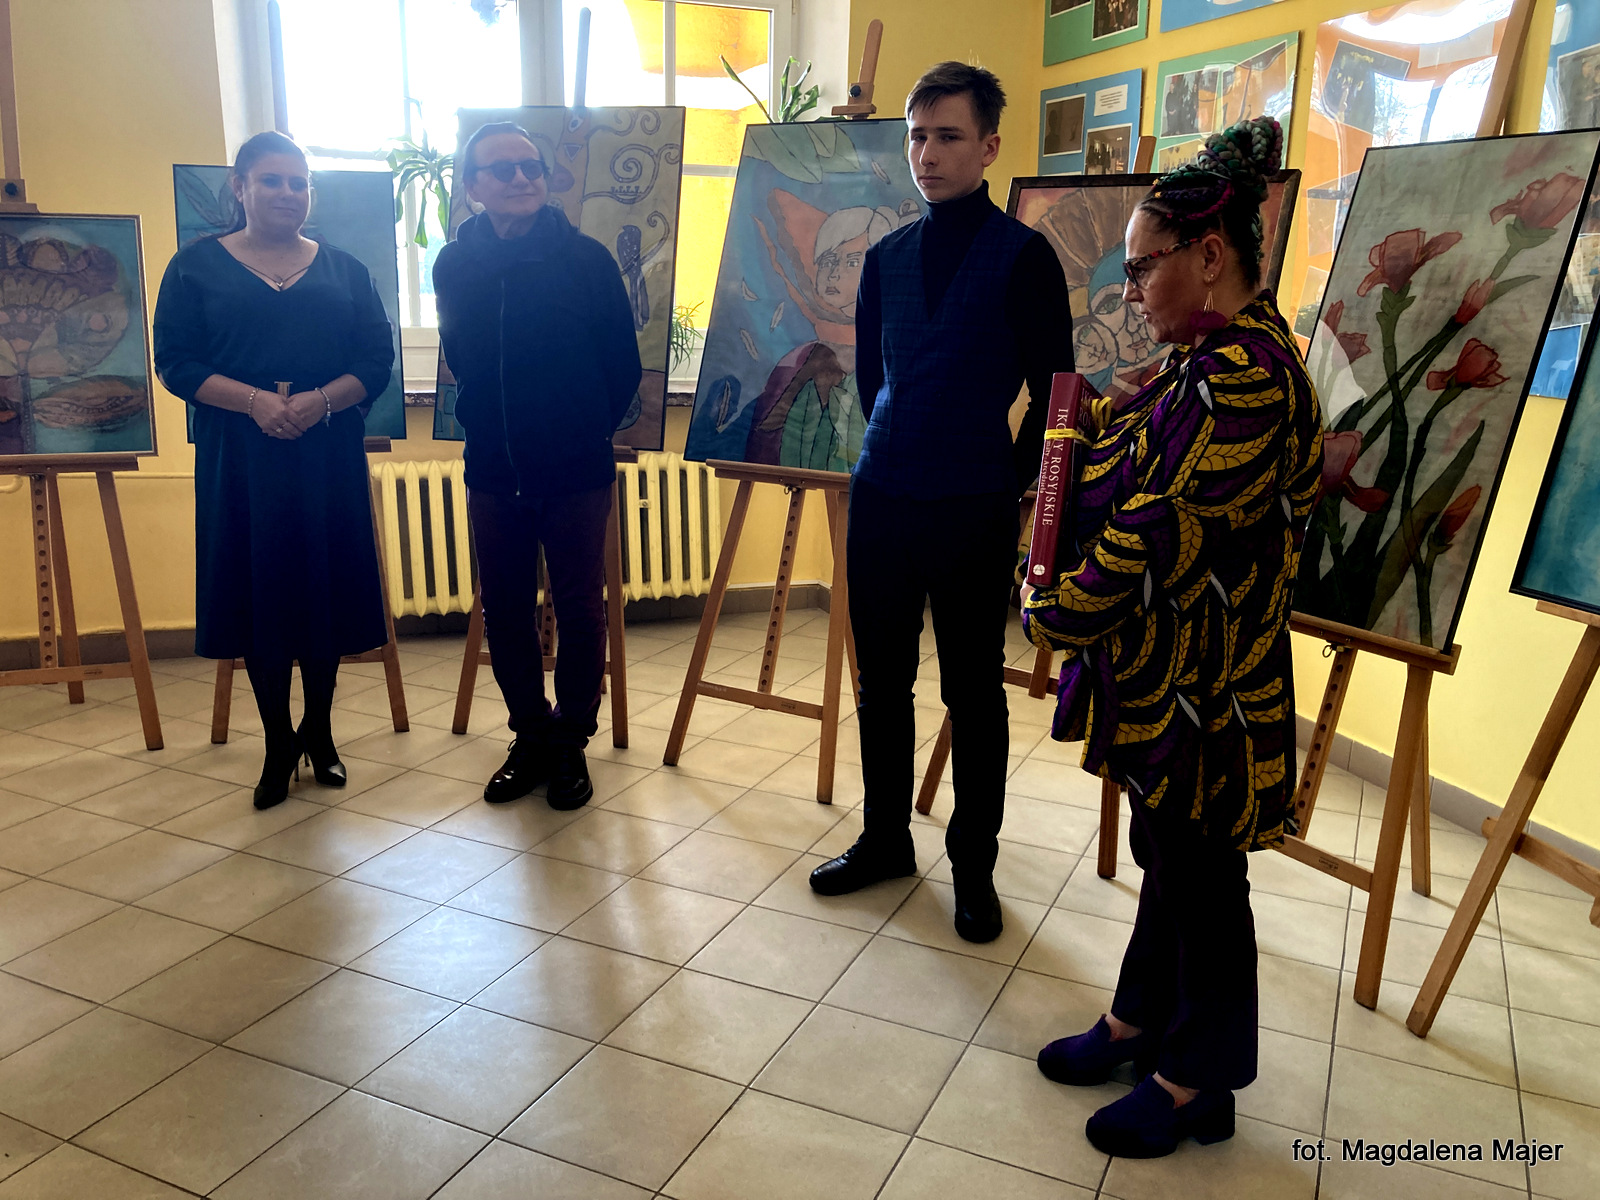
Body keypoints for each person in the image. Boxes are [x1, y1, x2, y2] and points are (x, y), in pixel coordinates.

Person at [1020, 116, 1323, 1158]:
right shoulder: (1199, 360)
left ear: (1210, 255)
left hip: (1212, 685)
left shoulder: (1249, 377)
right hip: (1165, 675)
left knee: (1202, 876)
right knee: (1169, 856)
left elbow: (1158, 526)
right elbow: (1123, 472)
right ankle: (1138, 1023)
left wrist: (1057, 608)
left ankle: (1199, 1080)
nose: (1133, 289)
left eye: (1145, 267)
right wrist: (1096, 427)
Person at [807, 62, 1075, 944]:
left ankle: (973, 865)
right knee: (881, 682)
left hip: (972, 505)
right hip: (883, 495)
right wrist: (900, 442)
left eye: (948, 136)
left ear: (989, 146)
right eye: (917, 136)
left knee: (974, 691)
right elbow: (875, 379)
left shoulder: (1024, 259)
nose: (927, 153)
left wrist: (1009, 476)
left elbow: (1057, 393)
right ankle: (886, 837)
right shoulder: (885, 258)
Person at [153, 131, 394, 811]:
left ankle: (320, 731)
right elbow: (176, 362)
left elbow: (375, 361)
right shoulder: (194, 268)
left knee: (322, 590)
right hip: (240, 456)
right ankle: (277, 742)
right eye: (272, 180)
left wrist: (320, 402)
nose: (288, 193)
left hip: (326, 453)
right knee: (259, 596)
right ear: (240, 187)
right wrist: (255, 402)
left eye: (299, 182)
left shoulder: (346, 270)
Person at [432, 121, 641, 810]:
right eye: (503, 169)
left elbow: (621, 366)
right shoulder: (453, 265)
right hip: (494, 468)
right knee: (505, 609)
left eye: (532, 165)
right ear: (473, 187)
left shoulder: (586, 260)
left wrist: (579, 429)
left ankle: (571, 741)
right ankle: (530, 734)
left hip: (576, 470)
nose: (522, 178)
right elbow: (462, 357)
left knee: (579, 608)